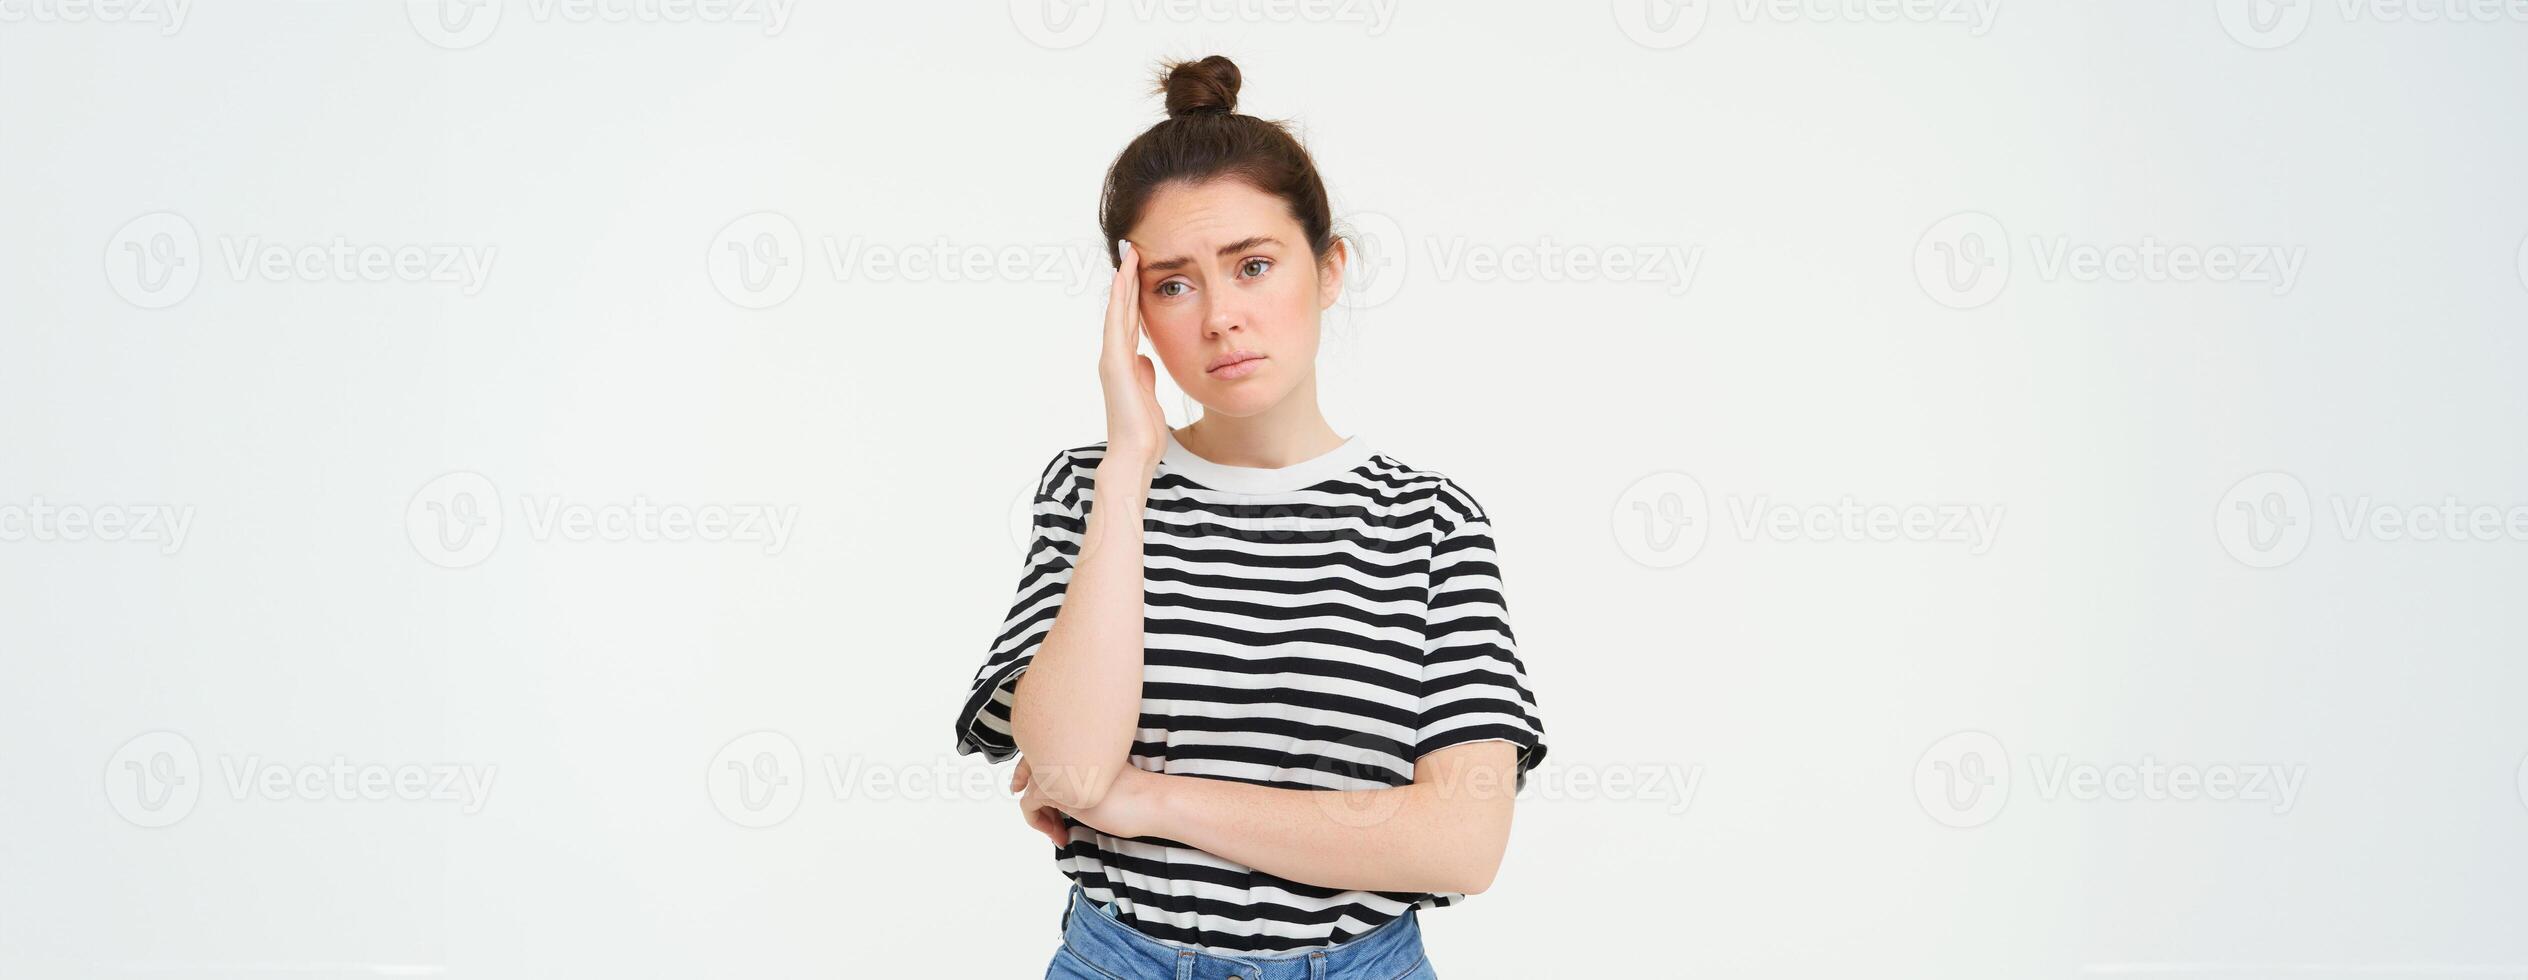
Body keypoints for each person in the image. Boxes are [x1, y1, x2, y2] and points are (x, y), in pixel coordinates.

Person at [954, 55, 1548, 980]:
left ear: (1330, 268)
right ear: (1132, 312)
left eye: (1254, 265)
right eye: (1174, 284)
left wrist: (1149, 799)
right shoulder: (1092, 489)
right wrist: (1127, 467)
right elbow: (1070, 775)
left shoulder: (1429, 520)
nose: (1222, 316)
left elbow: (1462, 843)